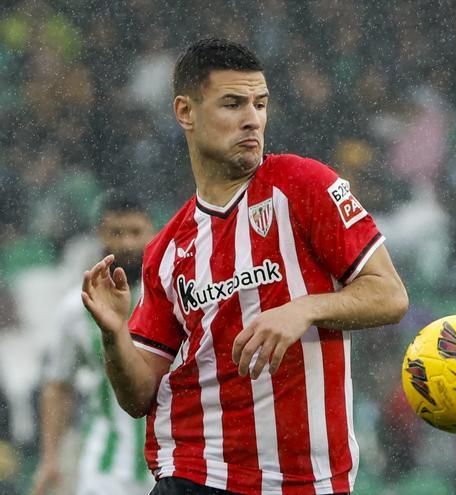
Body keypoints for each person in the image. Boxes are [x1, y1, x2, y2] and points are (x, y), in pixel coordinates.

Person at [80, 39, 408, 495]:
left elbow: (391, 296)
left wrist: (304, 309)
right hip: (196, 468)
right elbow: (137, 397)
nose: (252, 118)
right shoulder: (168, 249)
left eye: (260, 104)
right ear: (185, 112)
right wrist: (115, 334)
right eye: (232, 104)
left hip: (306, 480)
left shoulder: (304, 185)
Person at [32, 193, 156, 495]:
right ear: (100, 235)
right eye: (116, 232)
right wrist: (50, 458)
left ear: (152, 233)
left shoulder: (171, 299)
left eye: (135, 232)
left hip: (169, 459)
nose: (127, 243)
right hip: (105, 467)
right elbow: (58, 385)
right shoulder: (75, 308)